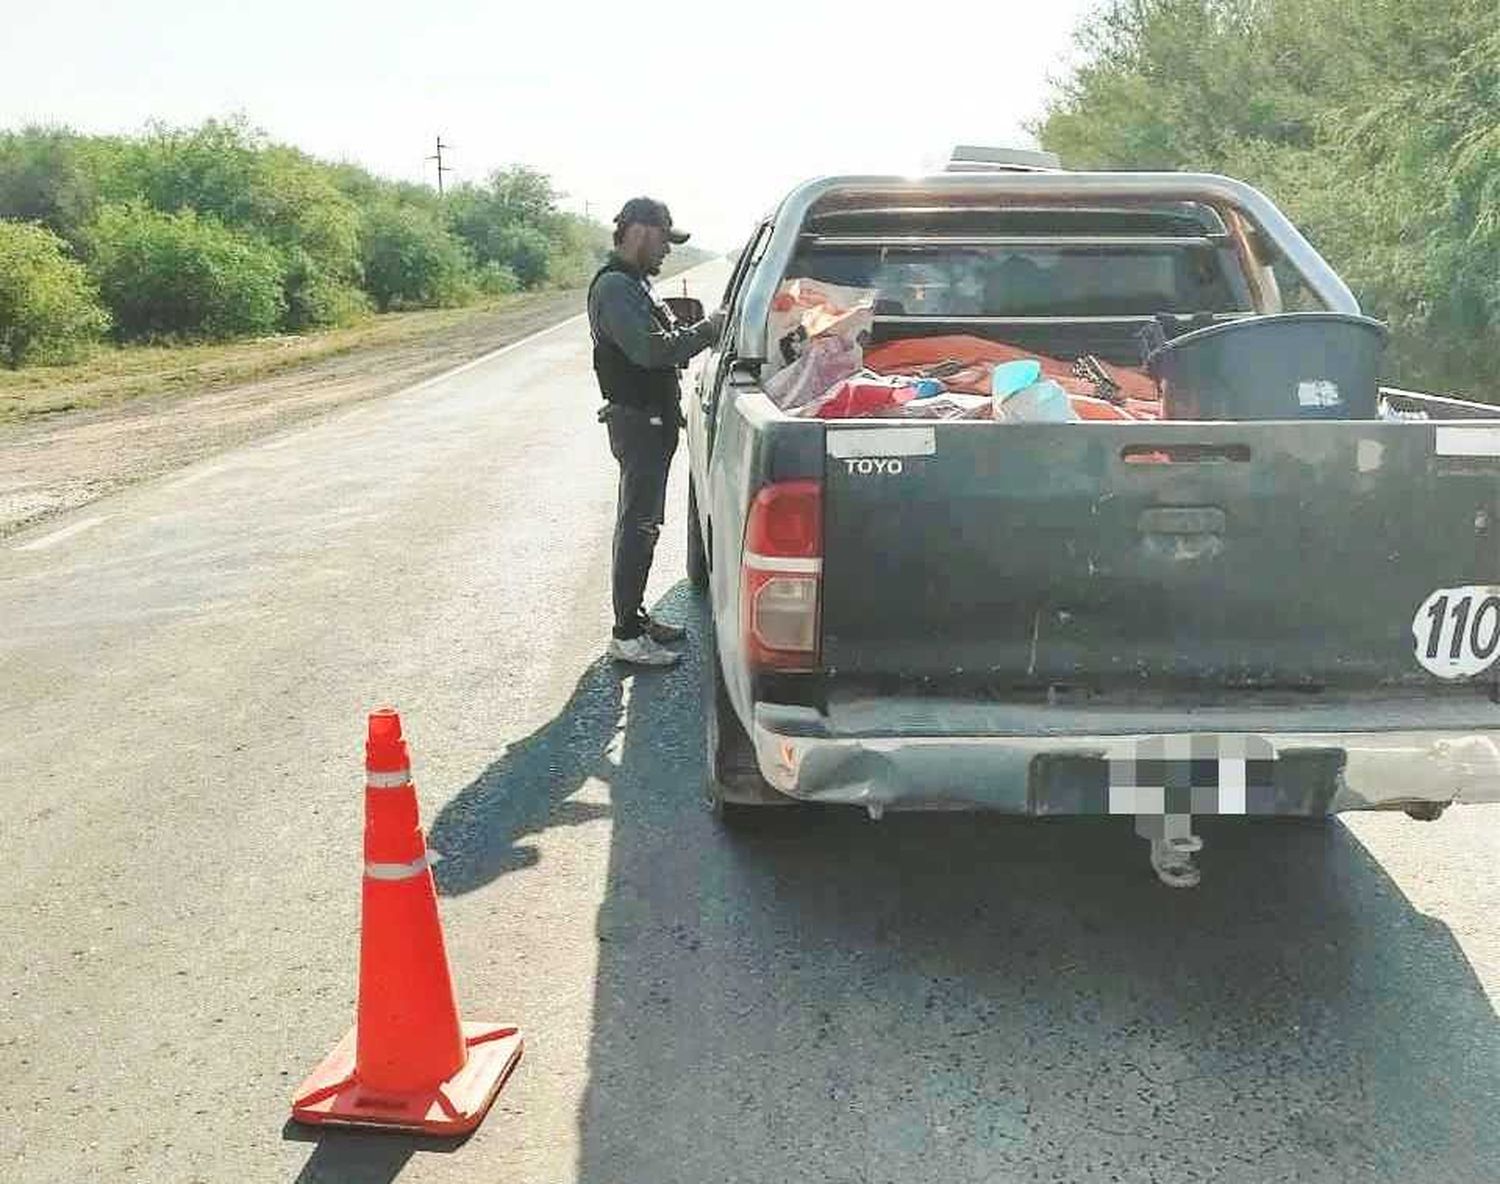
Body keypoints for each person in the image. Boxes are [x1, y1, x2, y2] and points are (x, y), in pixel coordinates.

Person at [588, 197, 724, 667]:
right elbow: (649, 351)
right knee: (638, 525)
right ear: (642, 231)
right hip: (640, 421)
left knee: (646, 524)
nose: (667, 249)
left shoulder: (634, 285)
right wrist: (710, 329)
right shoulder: (615, 289)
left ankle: (636, 617)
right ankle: (626, 635)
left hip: (651, 419)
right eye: (665, 238)